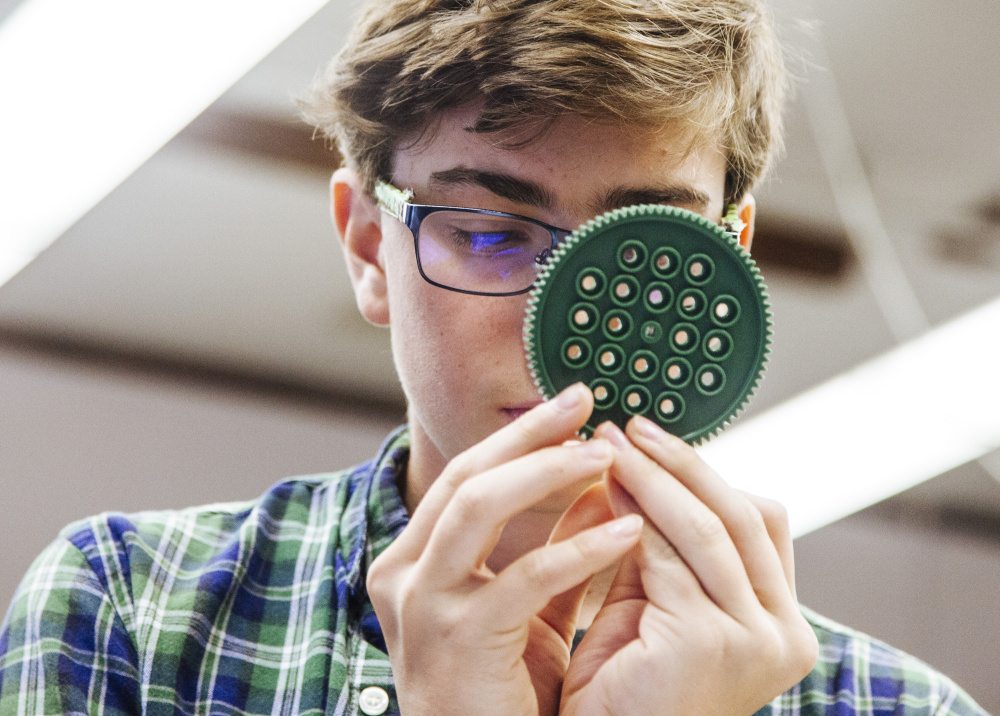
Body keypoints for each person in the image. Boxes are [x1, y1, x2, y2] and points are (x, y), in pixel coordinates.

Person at [0, 0, 989, 714]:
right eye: (488, 232)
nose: (564, 334)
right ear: (365, 248)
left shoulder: (896, 706)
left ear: (725, 255)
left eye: (637, 251)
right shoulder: (133, 615)